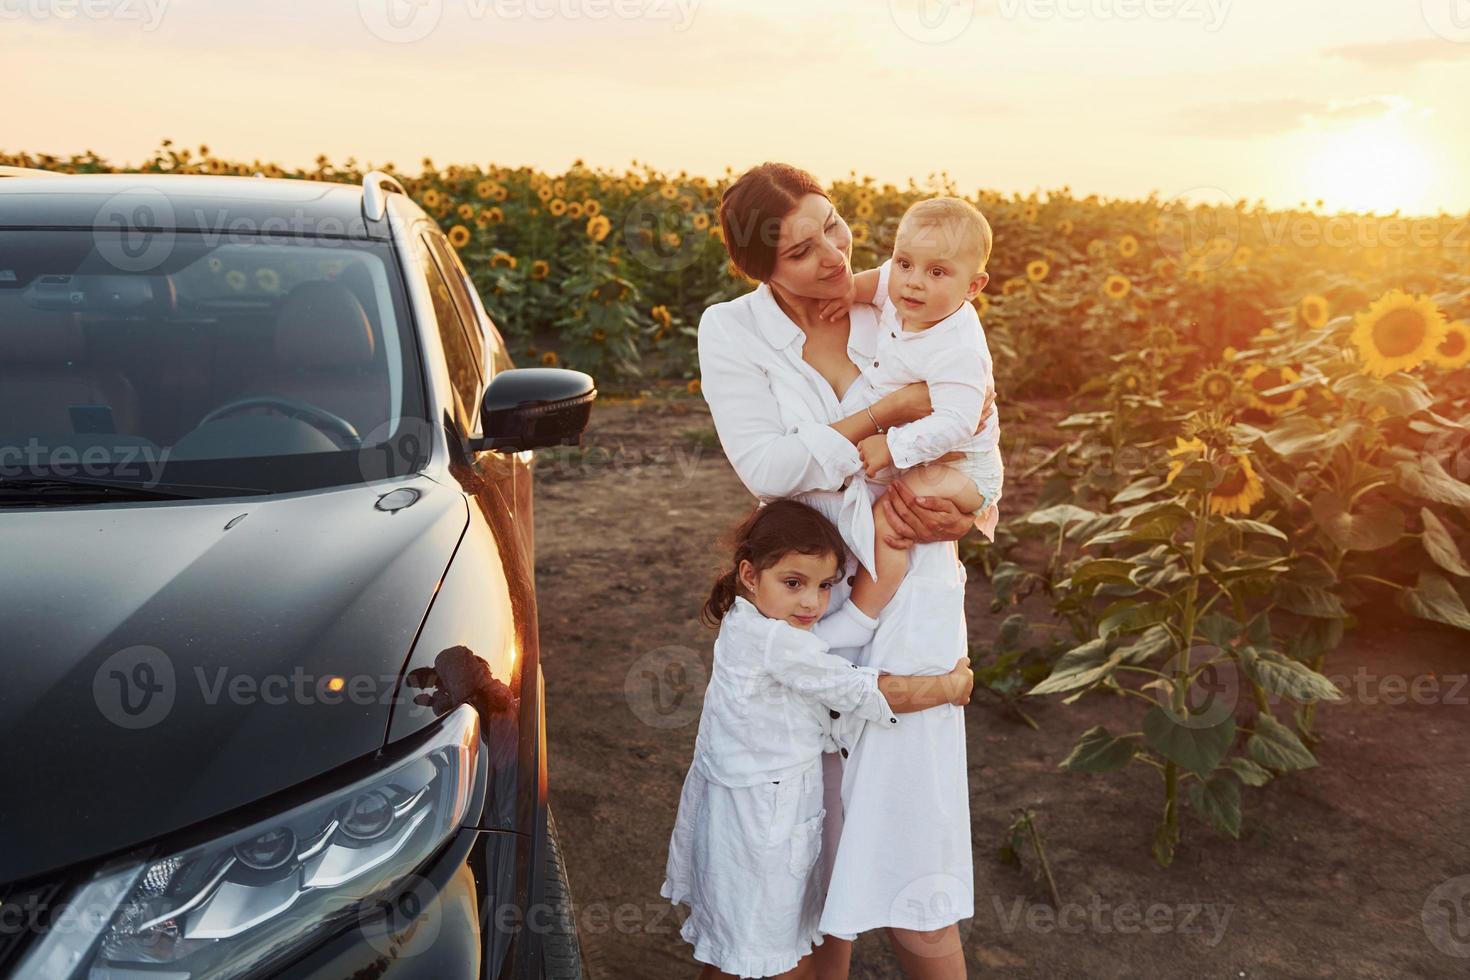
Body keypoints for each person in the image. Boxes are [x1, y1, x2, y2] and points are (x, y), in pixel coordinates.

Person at [698, 161, 997, 979]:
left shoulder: (900, 301)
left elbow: (975, 421)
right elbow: (769, 470)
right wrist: (882, 413)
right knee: (810, 863)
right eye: (800, 251)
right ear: (762, 271)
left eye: (834, 225)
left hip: (917, 592)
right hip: (814, 608)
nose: (832, 256)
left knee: (913, 867)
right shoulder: (732, 331)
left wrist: (971, 509)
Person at [660, 499, 974, 979]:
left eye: (825, 586)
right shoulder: (775, 643)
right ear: (749, 574)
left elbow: (836, 630)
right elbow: (858, 689)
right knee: (781, 959)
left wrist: (884, 573)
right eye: (794, 583)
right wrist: (947, 688)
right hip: (760, 822)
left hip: (750, 808)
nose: (811, 602)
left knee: (740, 949)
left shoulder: (754, 621)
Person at [818, 196, 1005, 588]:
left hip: (964, 468)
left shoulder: (958, 349)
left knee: (890, 518)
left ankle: (863, 612)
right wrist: (852, 291)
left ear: (973, 286)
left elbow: (956, 424)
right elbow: (882, 281)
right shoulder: (907, 292)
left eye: (937, 272)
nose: (913, 281)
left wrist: (893, 447)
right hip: (929, 452)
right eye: (906, 263)